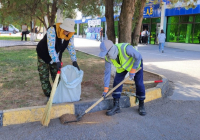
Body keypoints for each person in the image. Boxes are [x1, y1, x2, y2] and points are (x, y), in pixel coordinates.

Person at [36, 18, 80, 101]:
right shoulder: (52, 30)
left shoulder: (70, 35)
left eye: (69, 31)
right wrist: (57, 61)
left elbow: (71, 47)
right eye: (65, 30)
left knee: (57, 76)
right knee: (44, 76)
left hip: (56, 56)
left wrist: (74, 61)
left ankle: (58, 95)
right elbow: (51, 48)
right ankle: (49, 97)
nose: (66, 32)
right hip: (43, 54)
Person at [99, 40, 146, 116]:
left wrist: (133, 70)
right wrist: (106, 89)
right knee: (116, 83)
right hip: (122, 68)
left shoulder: (126, 48)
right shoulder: (108, 58)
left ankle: (141, 104)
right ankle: (116, 106)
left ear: (112, 49)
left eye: (107, 53)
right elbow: (107, 72)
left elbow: (138, 56)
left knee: (139, 84)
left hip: (136, 65)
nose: (106, 55)